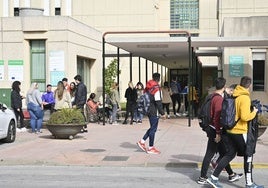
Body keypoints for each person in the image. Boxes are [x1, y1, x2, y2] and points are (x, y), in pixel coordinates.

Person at [207, 76, 263, 188]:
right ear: (249, 86)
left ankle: (214, 177)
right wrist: (255, 112)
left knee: (229, 154)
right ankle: (249, 183)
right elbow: (245, 117)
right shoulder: (245, 98)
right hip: (240, 131)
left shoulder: (234, 95)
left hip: (230, 130)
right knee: (249, 155)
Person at [197, 77, 243, 185]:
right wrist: (218, 133)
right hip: (215, 130)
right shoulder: (218, 99)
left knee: (224, 153)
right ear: (224, 86)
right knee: (210, 153)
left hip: (212, 128)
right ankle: (202, 177)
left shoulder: (211, 96)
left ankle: (231, 175)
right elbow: (216, 118)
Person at [137, 73, 166, 154]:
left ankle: (142, 141)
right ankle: (150, 147)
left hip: (148, 110)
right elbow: (158, 102)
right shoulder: (157, 88)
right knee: (153, 129)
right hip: (154, 111)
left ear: (153, 78)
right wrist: (162, 113)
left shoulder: (148, 87)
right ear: (159, 79)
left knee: (153, 128)